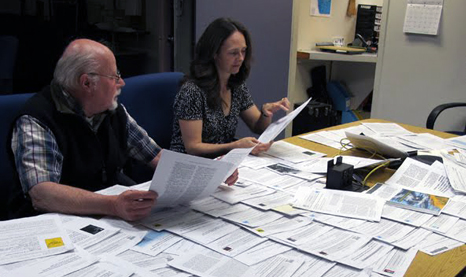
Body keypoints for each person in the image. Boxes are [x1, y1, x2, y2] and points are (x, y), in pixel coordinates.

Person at [8, 39, 237, 222]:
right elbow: (42, 194)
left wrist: (209, 172)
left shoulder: (111, 111)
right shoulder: (37, 119)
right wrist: (112, 205)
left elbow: (156, 156)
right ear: (87, 83)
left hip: (110, 216)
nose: (122, 83)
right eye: (115, 76)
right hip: (60, 223)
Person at [169, 17, 290, 158]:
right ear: (214, 54)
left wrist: (265, 113)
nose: (240, 58)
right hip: (189, 165)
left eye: (243, 51)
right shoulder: (192, 91)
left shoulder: (236, 85)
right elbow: (193, 147)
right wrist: (235, 146)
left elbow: (258, 127)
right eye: (233, 53)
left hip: (222, 162)